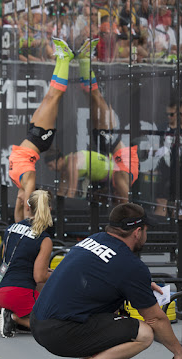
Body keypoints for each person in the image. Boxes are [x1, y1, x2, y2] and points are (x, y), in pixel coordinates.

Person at [31, 203, 182, 359]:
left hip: (38, 320)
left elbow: (101, 275)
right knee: (144, 334)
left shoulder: (94, 239)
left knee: (110, 305)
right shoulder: (130, 266)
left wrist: (140, 284)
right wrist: (179, 352)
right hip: (59, 332)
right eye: (146, 231)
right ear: (138, 232)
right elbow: (156, 319)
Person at [9, 37, 133, 222]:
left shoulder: (22, 183)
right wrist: (28, 223)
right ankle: (72, 59)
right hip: (51, 139)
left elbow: (22, 207)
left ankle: (71, 59)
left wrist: (17, 228)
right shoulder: (30, 179)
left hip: (36, 138)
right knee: (82, 97)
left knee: (54, 97)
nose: (20, 199)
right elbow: (27, 208)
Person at [0, 190, 53, 338]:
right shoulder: (44, 239)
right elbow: (39, 276)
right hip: (17, 293)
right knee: (55, 328)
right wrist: (61, 274)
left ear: (28, 207)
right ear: (49, 209)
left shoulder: (11, 229)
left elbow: (6, 259)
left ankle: (16, 316)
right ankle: (14, 317)